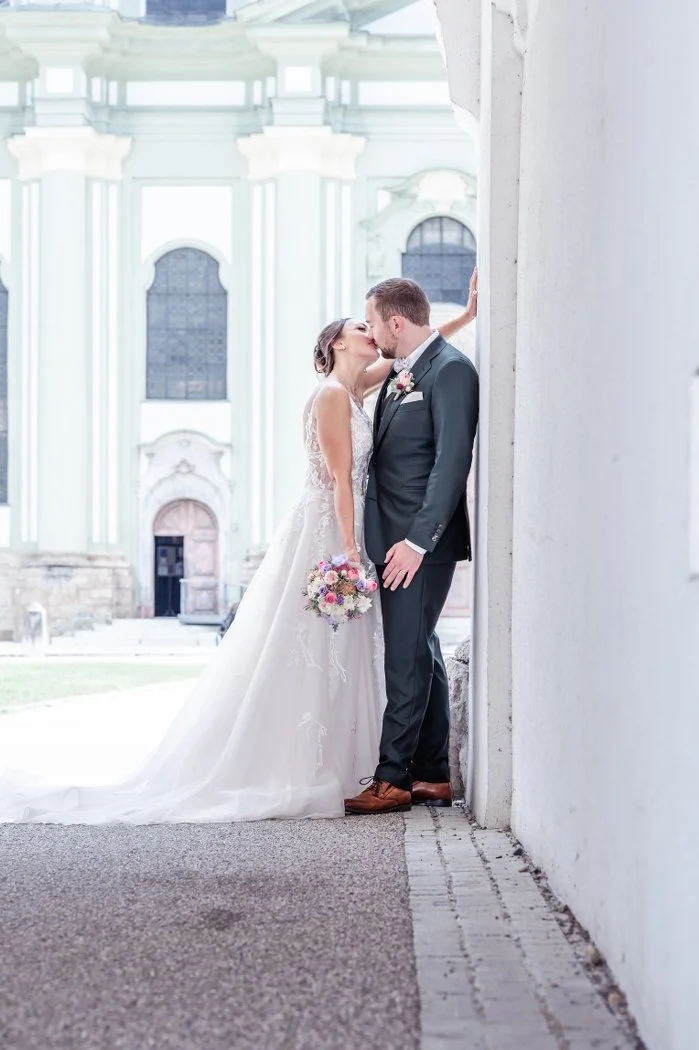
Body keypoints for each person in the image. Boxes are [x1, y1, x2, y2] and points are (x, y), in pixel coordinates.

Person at [0, 275, 477, 824]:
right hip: (334, 530)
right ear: (337, 344)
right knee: (341, 650)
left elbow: (415, 349)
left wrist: (462, 319)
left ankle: (416, 770)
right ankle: (358, 767)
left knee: (411, 650)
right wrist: (349, 550)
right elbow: (342, 480)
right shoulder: (330, 396)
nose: (370, 333)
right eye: (358, 328)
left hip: (377, 534)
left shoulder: (363, 385)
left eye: (373, 324)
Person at [344, 275, 479, 815]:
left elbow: (451, 464)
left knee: (403, 658)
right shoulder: (411, 367)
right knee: (422, 650)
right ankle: (431, 772)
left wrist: (417, 543)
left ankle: (392, 778)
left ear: (396, 322)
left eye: (374, 323)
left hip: (417, 547)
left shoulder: (450, 372)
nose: (373, 335)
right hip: (392, 540)